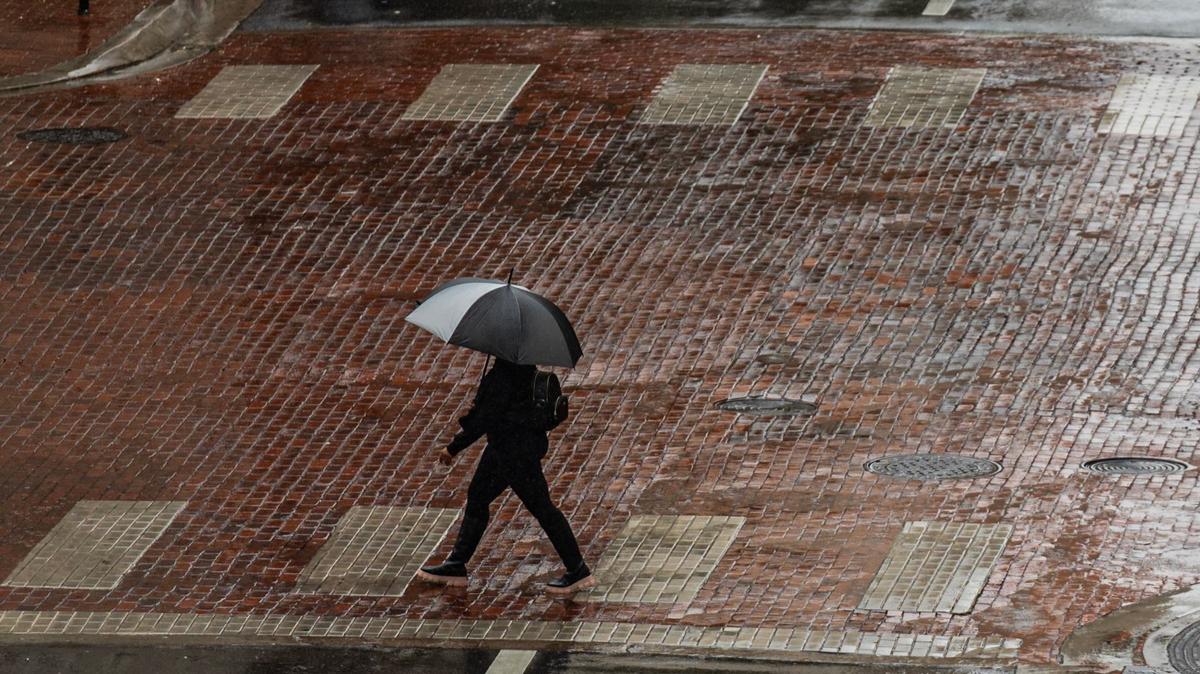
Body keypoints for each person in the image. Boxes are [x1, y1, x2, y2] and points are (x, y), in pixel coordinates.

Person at [416, 358, 595, 594]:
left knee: (540, 507)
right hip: (511, 448)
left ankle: (577, 569)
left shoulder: (502, 378)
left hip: (511, 452)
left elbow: (484, 419)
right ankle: (456, 564)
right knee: (479, 496)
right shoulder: (523, 370)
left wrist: (453, 447)